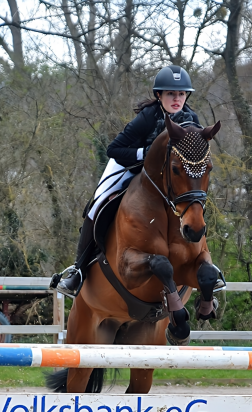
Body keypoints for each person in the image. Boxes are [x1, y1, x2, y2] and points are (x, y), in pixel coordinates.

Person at [51, 65, 205, 297]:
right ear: (158, 95)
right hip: (130, 166)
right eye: (171, 94)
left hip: (168, 176)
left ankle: (205, 262)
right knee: (97, 205)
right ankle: (78, 272)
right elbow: (115, 149)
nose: (177, 99)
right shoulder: (147, 117)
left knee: (194, 198)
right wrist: (149, 153)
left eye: (181, 94)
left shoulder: (191, 118)